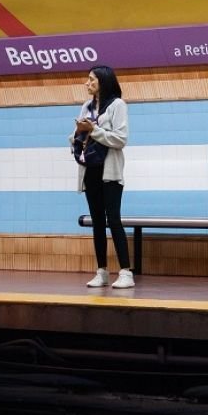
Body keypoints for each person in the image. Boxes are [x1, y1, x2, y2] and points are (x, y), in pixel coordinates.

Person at [73, 65, 133, 289]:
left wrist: (94, 130)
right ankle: (102, 271)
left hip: (110, 173)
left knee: (113, 219)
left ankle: (126, 272)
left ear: (103, 82)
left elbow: (120, 139)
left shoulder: (118, 105)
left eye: (91, 80)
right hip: (90, 170)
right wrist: (77, 133)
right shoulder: (86, 106)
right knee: (97, 221)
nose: (87, 83)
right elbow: (77, 136)